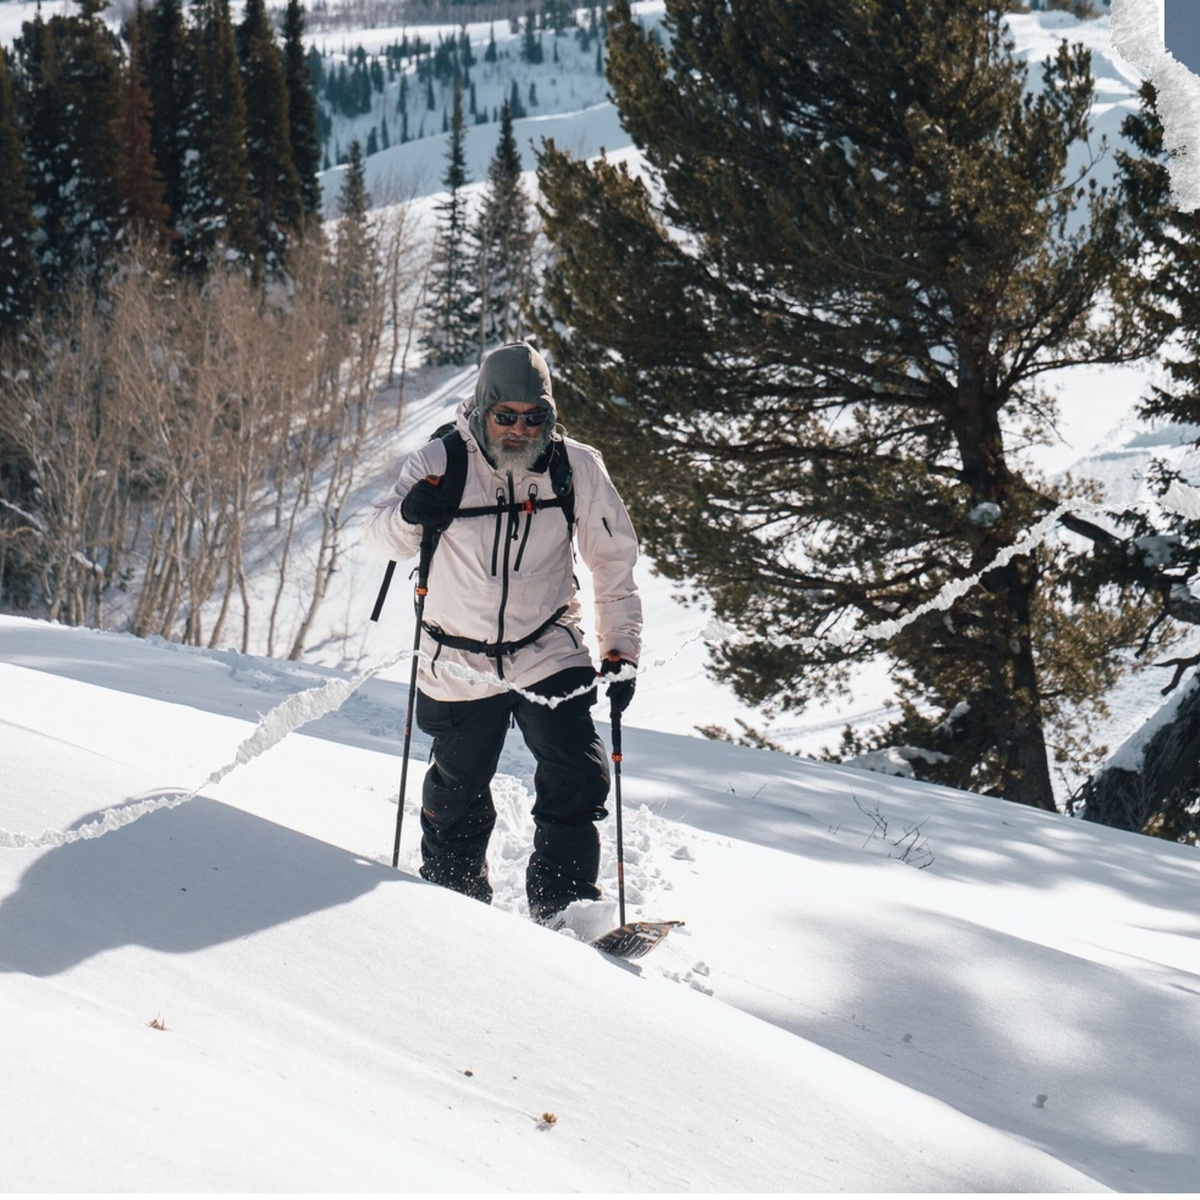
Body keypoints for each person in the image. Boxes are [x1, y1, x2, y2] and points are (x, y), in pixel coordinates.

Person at [364, 341, 642, 923]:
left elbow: (613, 560)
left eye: (534, 417)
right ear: (482, 409)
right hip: (456, 658)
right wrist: (410, 515)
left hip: (546, 644)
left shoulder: (575, 467)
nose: (520, 429)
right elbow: (379, 537)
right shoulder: (441, 462)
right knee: (457, 791)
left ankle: (563, 904)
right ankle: (456, 903)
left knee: (577, 772)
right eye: (506, 416)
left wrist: (620, 649)